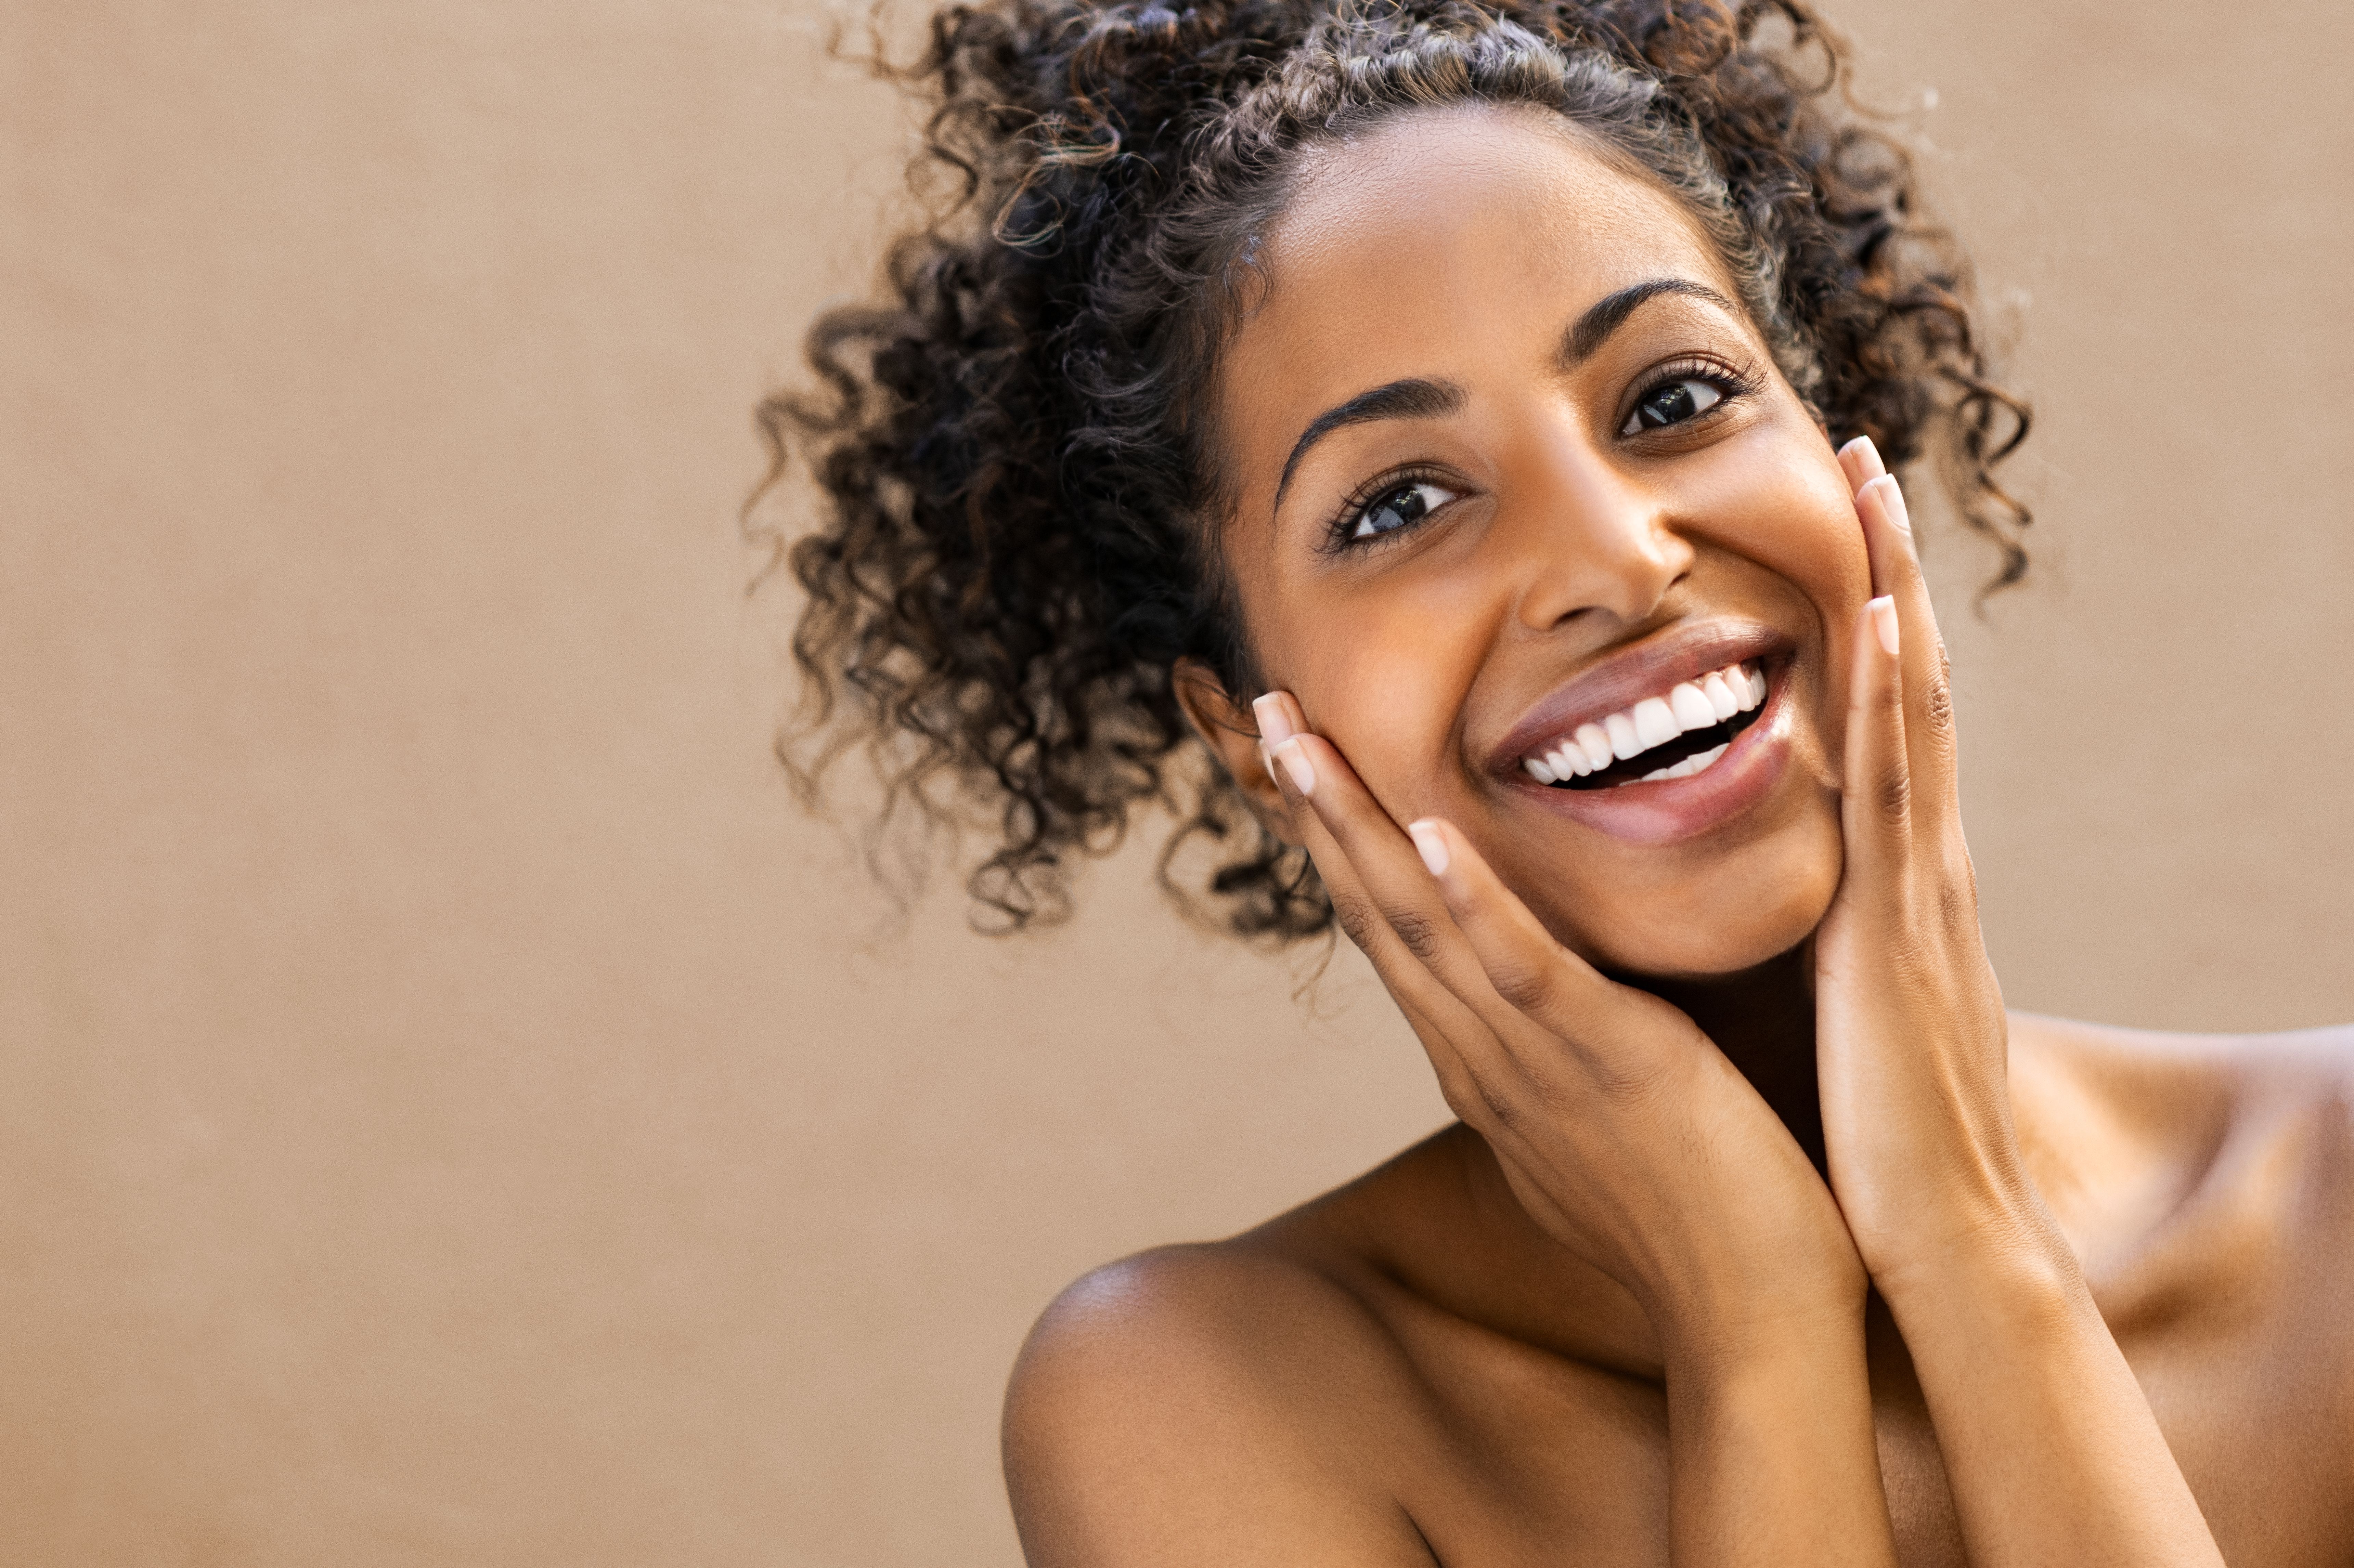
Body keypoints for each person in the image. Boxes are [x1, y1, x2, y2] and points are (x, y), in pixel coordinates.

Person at [764, 1, 2354, 1561]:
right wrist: (1751, 1315)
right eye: (1398, 504)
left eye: (1673, 400)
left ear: (1836, 450)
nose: (1611, 559)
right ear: (1254, 735)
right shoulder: (1207, 1404)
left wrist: (1972, 1243)